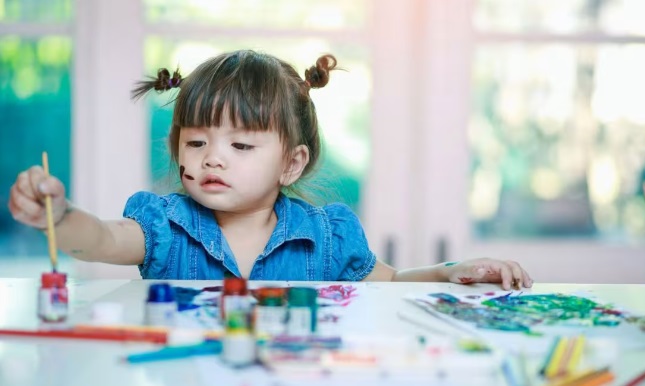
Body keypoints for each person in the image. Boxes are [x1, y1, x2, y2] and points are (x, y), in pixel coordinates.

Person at [8, 50, 532, 289]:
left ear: (291, 162)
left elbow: (392, 284)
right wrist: (60, 214)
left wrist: (449, 272)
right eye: (195, 141)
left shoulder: (325, 236)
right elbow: (96, 240)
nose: (212, 157)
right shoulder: (164, 226)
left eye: (240, 144)